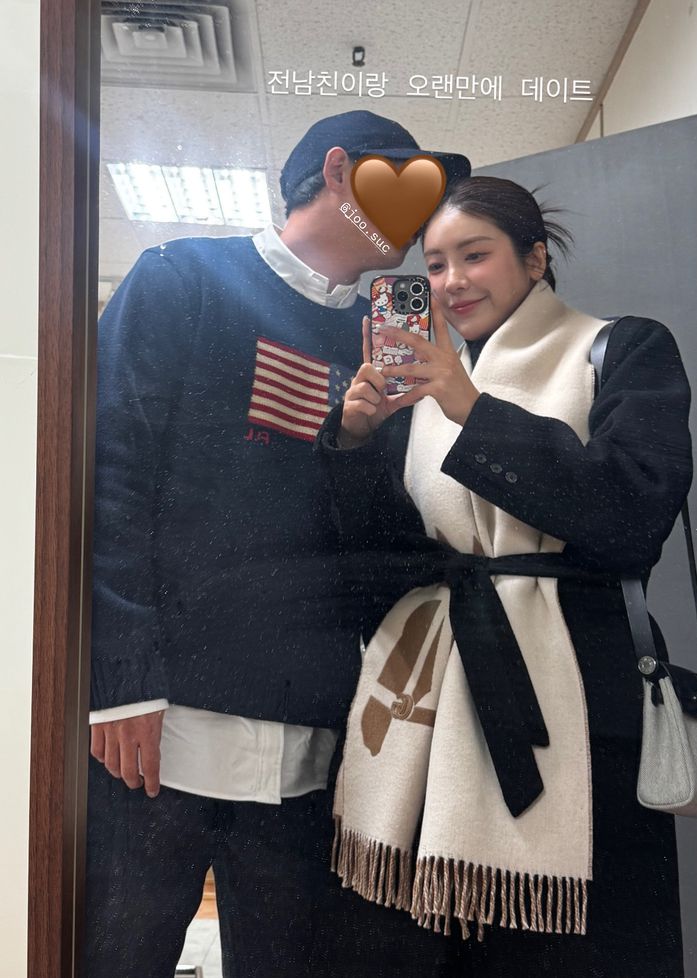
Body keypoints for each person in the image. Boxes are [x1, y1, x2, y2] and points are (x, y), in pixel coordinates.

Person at [84, 110, 470, 978]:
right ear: (338, 174)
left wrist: (379, 431)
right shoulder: (182, 278)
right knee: (116, 953)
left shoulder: (379, 339)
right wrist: (119, 678)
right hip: (159, 723)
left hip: (315, 734)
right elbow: (108, 476)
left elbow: (383, 542)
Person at [317, 175, 692, 977]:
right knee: (427, 941)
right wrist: (355, 443)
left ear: (535, 258)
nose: (452, 282)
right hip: (430, 694)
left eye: (475, 255)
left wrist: (470, 408)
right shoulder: (421, 388)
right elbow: (381, 557)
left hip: (582, 685)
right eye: (436, 265)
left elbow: (633, 515)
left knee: (578, 946)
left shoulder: (621, 348)